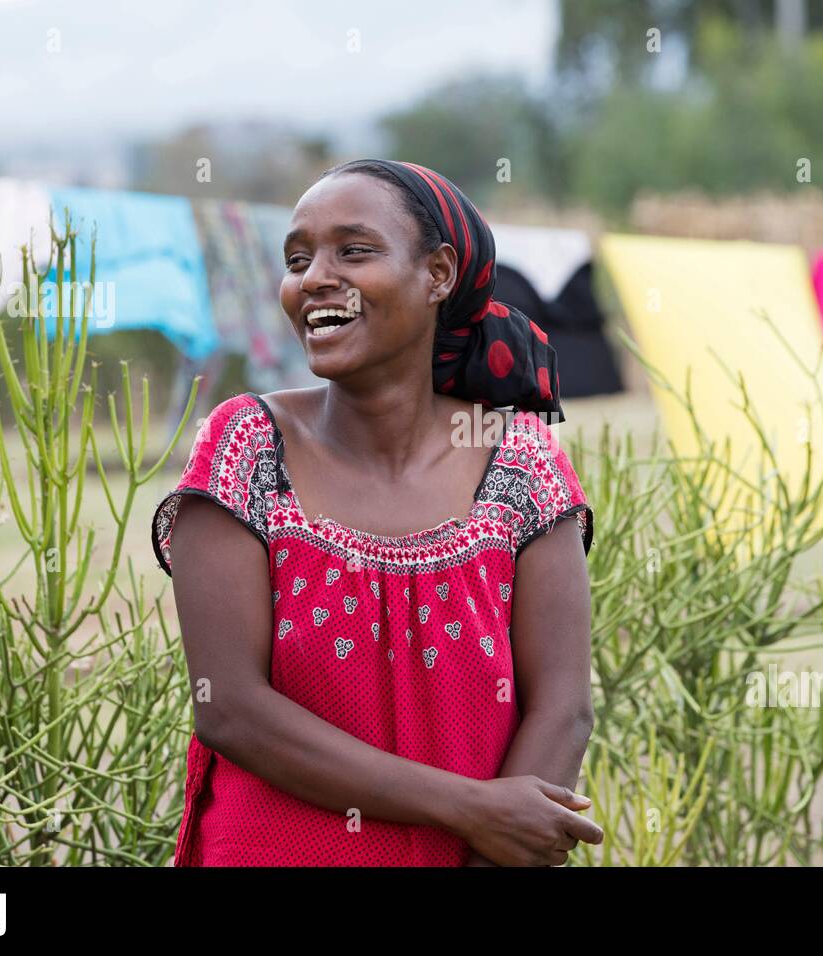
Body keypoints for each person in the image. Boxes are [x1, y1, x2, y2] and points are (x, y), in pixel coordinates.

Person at [151, 159, 602, 866]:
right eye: (298, 258)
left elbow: (564, 707)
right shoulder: (246, 447)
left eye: (353, 251)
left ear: (439, 275)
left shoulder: (518, 457)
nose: (314, 277)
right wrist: (471, 808)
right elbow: (229, 708)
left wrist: (492, 853)